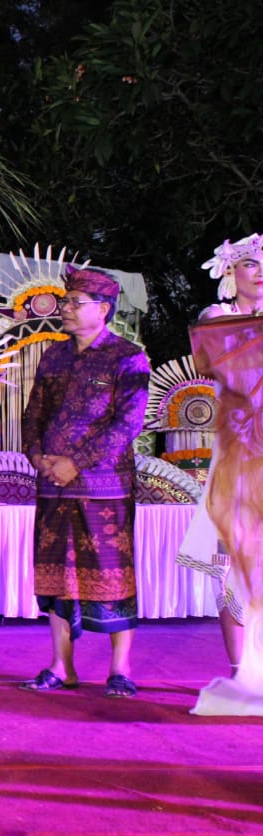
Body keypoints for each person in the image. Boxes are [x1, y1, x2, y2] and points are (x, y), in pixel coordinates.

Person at [20, 267, 150, 698]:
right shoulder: (54, 356)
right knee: (53, 575)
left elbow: (127, 424)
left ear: (104, 309)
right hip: (52, 484)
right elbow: (33, 413)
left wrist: (76, 462)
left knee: (112, 573)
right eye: (66, 301)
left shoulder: (127, 357)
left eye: (76, 303)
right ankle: (61, 666)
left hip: (104, 486)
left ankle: (120, 668)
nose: (66, 309)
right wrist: (37, 456)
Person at [178, 234, 263, 678]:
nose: (261, 268)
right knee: (233, 566)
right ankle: (239, 670)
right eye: (250, 262)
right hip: (240, 456)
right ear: (231, 272)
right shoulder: (218, 317)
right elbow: (215, 361)